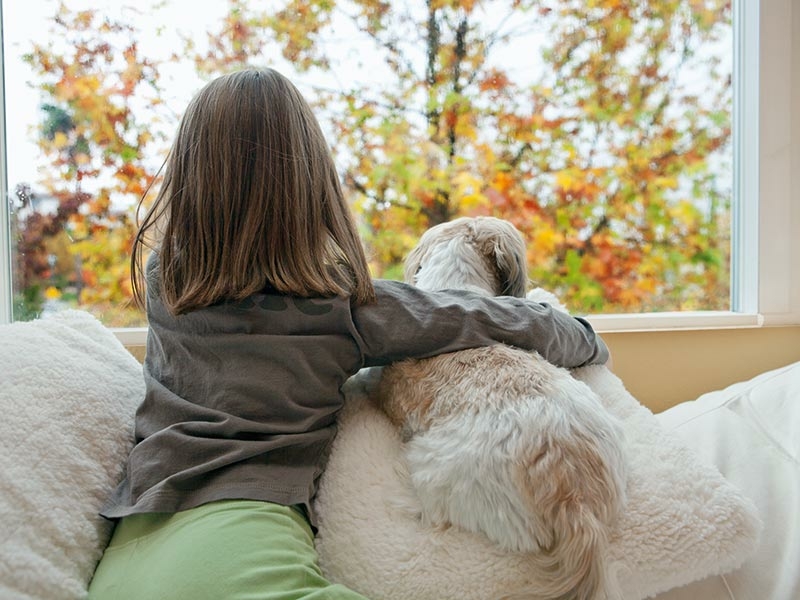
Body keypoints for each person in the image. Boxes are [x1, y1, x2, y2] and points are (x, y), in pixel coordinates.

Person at [88, 67, 609, 600]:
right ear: (310, 184)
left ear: (190, 176)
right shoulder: (340, 307)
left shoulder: (166, 284)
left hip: (128, 547)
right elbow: (482, 315)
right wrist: (584, 337)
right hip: (241, 545)